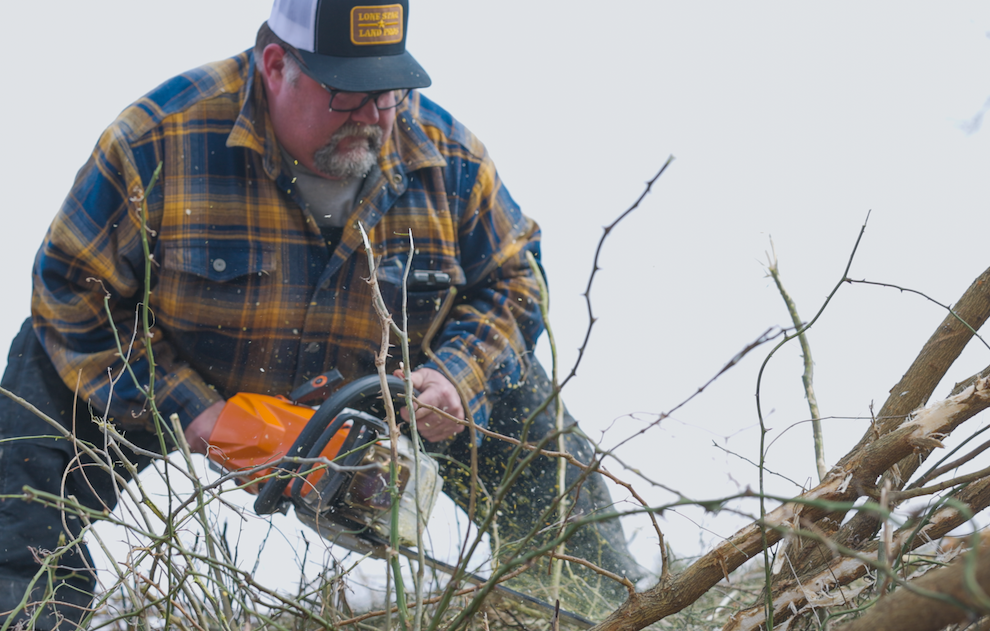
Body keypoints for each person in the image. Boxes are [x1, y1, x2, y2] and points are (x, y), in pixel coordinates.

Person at [0, 0, 643, 627]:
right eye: (347, 90)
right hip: (183, 366)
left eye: (388, 89)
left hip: (387, 390)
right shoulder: (159, 138)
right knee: (39, 393)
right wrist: (195, 413)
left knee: (516, 400)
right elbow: (71, 285)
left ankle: (606, 603)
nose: (373, 113)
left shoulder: (450, 159)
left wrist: (455, 379)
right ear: (276, 65)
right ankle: (28, 609)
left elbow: (514, 278)